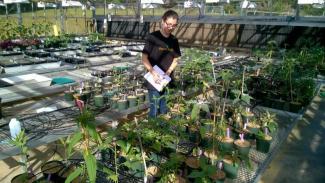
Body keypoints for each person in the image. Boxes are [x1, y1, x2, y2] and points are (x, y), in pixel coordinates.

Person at [142, 10, 181, 118]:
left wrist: (168, 72)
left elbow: (176, 59)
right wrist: (153, 72)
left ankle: (163, 131)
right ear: (163, 21)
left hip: (166, 79)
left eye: (174, 25)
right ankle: (151, 132)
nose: (171, 27)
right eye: (169, 24)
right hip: (154, 80)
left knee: (164, 108)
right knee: (154, 109)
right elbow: (144, 58)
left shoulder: (174, 40)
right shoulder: (152, 37)